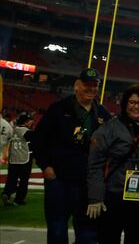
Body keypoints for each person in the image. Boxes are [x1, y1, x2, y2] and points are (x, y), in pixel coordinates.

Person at [86, 83, 139, 244]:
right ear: (125, 104)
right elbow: (95, 166)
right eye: (132, 102)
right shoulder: (108, 129)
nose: (136, 106)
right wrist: (95, 197)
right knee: (108, 239)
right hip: (114, 197)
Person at [34, 67, 111, 244]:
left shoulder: (103, 114)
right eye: (87, 84)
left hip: (88, 184)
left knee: (88, 232)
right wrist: (46, 166)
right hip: (60, 180)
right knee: (57, 228)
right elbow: (39, 140)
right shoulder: (58, 109)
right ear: (77, 85)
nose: (91, 88)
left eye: (95, 85)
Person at [2, 113, 35, 206]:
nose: (31, 123)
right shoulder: (27, 132)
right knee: (24, 180)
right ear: (26, 122)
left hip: (13, 159)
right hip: (24, 159)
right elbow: (35, 143)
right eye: (29, 122)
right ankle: (19, 199)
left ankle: (7, 193)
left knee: (11, 179)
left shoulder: (13, 130)